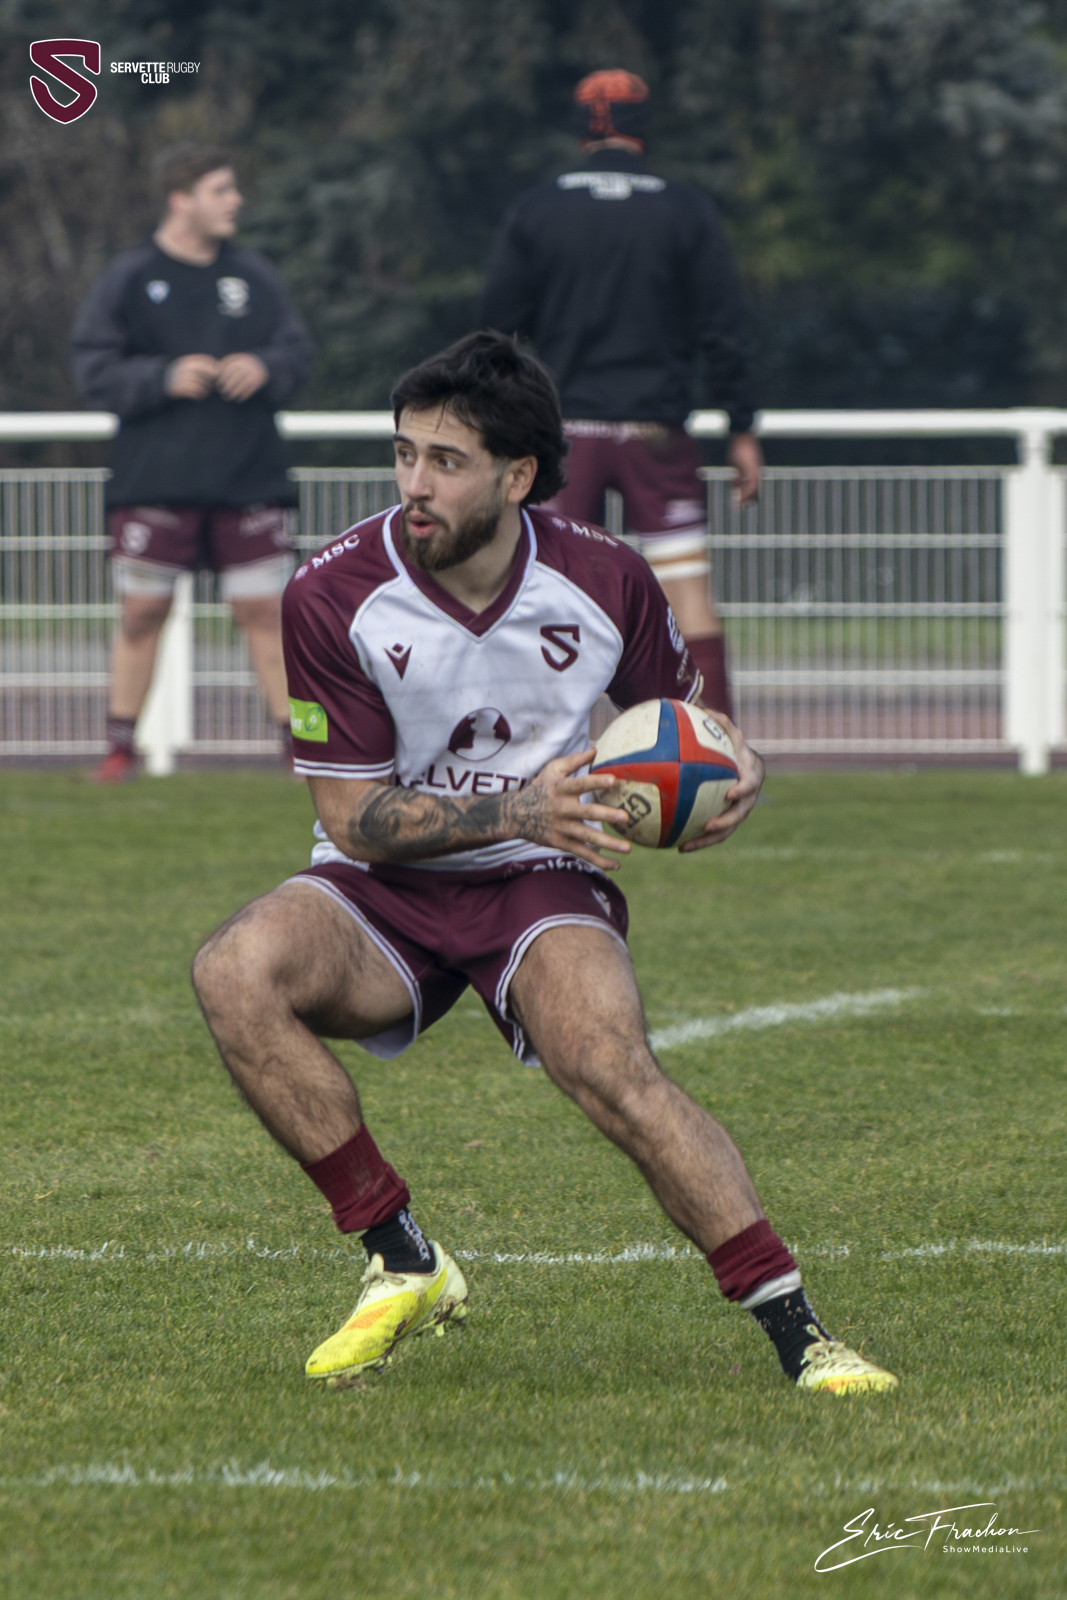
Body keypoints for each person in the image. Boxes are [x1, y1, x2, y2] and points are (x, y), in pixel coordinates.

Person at [191, 332, 896, 1396]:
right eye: (404, 454)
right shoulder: (331, 593)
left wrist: (732, 770)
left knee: (607, 1064)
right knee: (233, 971)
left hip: (542, 873)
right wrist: (517, 804)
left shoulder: (606, 577)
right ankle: (402, 1257)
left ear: (517, 475)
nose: (414, 484)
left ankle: (803, 1336)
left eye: (446, 461)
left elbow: (691, 724)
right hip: (379, 883)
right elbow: (353, 817)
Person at [480, 69, 763, 722]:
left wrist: (495, 424)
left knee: (540, 597)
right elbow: (724, 329)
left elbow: (495, 330)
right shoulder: (684, 208)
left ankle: (532, 758)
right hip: (656, 431)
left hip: (562, 436)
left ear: (582, 129)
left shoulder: (539, 207)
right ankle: (716, 752)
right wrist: (742, 427)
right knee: (685, 592)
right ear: (643, 128)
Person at [70, 141, 314, 782]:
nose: (235, 200)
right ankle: (120, 749)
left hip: (249, 474)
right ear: (181, 199)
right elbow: (93, 365)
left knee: (265, 613)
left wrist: (265, 366)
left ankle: (297, 750)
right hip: (156, 477)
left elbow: (298, 352)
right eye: (221, 190)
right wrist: (161, 376)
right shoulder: (130, 277)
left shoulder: (254, 274)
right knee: (141, 613)